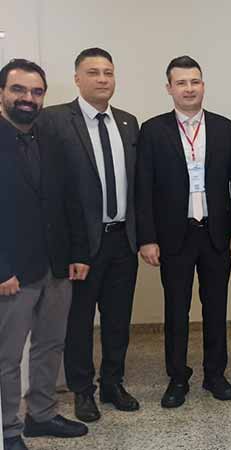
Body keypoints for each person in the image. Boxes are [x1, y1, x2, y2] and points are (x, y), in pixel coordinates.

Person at [38, 47, 140, 423]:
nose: (102, 79)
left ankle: (113, 383)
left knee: (117, 320)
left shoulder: (128, 122)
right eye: (93, 72)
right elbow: (50, 188)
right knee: (78, 322)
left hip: (122, 240)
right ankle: (83, 390)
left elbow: (137, 183)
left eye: (108, 72)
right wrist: (66, 249)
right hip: (80, 245)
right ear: (77, 78)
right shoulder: (54, 120)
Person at [135, 56, 231, 408]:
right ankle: (177, 378)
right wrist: (147, 238)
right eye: (181, 83)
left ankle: (215, 374)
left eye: (195, 81)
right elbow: (144, 188)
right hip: (173, 237)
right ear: (169, 88)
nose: (189, 88)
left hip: (216, 233)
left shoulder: (225, 128)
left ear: (203, 85)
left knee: (216, 308)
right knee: (176, 310)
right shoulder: (153, 130)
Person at [0, 59, 89, 450]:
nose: (28, 98)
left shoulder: (50, 140)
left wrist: (78, 253)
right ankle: (7, 429)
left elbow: (70, 200)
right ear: (2, 93)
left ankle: (41, 414)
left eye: (36, 92)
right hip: (12, 273)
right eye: (19, 89)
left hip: (56, 266)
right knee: (6, 357)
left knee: (51, 345)